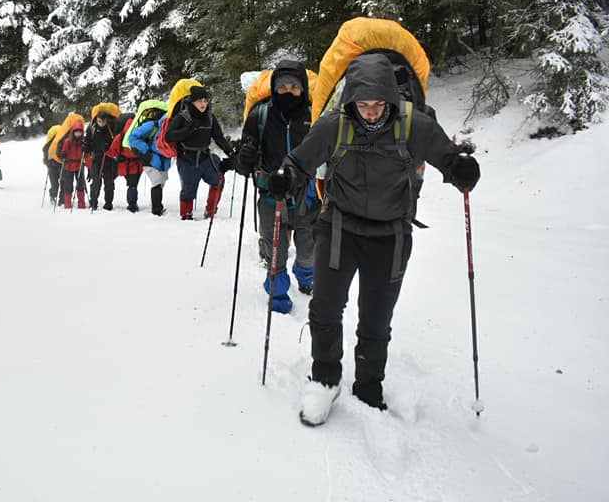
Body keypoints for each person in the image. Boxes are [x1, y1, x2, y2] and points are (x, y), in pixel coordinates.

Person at [270, 53, 481, 426]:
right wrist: (286, 178)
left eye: (378, 105)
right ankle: (324, 379)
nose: (370, 113)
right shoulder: (334, 125)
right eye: (362, 105)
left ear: (391, 100)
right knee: (325, 309)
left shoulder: (413, 124)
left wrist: (461, 169)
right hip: (339, 228)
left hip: (391, 234)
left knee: (376, 317)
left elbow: (446, 157)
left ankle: (369, 384)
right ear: (351, 101)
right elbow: (299, 162)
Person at [236, 60, 317, 314]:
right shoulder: (260, 115)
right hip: (272, 194)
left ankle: (306, 276)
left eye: (294, 87)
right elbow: (244, 162)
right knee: (275, 250)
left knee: (308, 249)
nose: (289, 92)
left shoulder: (315, 115)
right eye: (282, 87)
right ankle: (278, 295)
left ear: (303, 88)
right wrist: (245, 157)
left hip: (308, 194)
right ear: (273, 88)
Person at [164, 85, 236, 220]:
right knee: (188, 191)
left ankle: (211, 211)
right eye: (199, 101)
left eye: (205, 100)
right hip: (186, 159)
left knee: (218, 180)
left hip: (205, 157)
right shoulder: (182, 117)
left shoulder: (210, 117)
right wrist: (186, 131)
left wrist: (230, 152)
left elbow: (218, 137)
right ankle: (186, 215)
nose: (203, 104)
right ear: (192, 102)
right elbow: (169, 136)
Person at [128, 103, 171, 216]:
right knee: (157, 182)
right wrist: (147, 151)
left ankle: (157, 208)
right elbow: (132, 137)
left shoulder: (170, 125)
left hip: (163, 158)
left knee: (161, 182)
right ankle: (156, 210)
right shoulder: (152, 125)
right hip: (149, 158)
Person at [105, 114, 143, 212]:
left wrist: (106, 150)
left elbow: (112, 151)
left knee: (128, 184)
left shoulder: (120, 136)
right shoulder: (140, 134)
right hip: (137, 165)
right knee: (133, 186)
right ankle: (132, 206)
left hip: (123, 165)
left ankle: (129, 205)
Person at [85, 107, 118, 210]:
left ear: (106, 120)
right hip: (96, 157)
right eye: (99, 121)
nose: (101, 123)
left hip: (108, 157)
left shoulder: (111, 127)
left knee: (109, 182)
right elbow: (88, 140)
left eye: (103, 121)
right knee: (96, 181)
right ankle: (93, 202)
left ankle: (108, 203)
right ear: (97, 119)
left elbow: (117, 140)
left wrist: (110, 146)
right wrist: (86, 146)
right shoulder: (92, 127)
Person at [56, 120, 88, 209]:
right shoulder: (68, 142)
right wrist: (63, 155)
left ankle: (81, 204)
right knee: (68, 185)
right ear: (73, 132)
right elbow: (63, 153)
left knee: (81, 185)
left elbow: (86, 155)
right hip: (69, 166)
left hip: (79, 166)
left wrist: (86, 152)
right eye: (76, 132)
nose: (78, 134)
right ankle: (67, 204)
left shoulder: (83, 142)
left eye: (80, 132)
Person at [43, 125, 63, 206]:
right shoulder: (47, 146)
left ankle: (62, 198)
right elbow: (45, 157)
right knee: (55, 184)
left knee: (63, 183)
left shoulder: (63, 143)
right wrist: (48, 162)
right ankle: (53, 196)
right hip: (52, 167)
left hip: (61, 166)